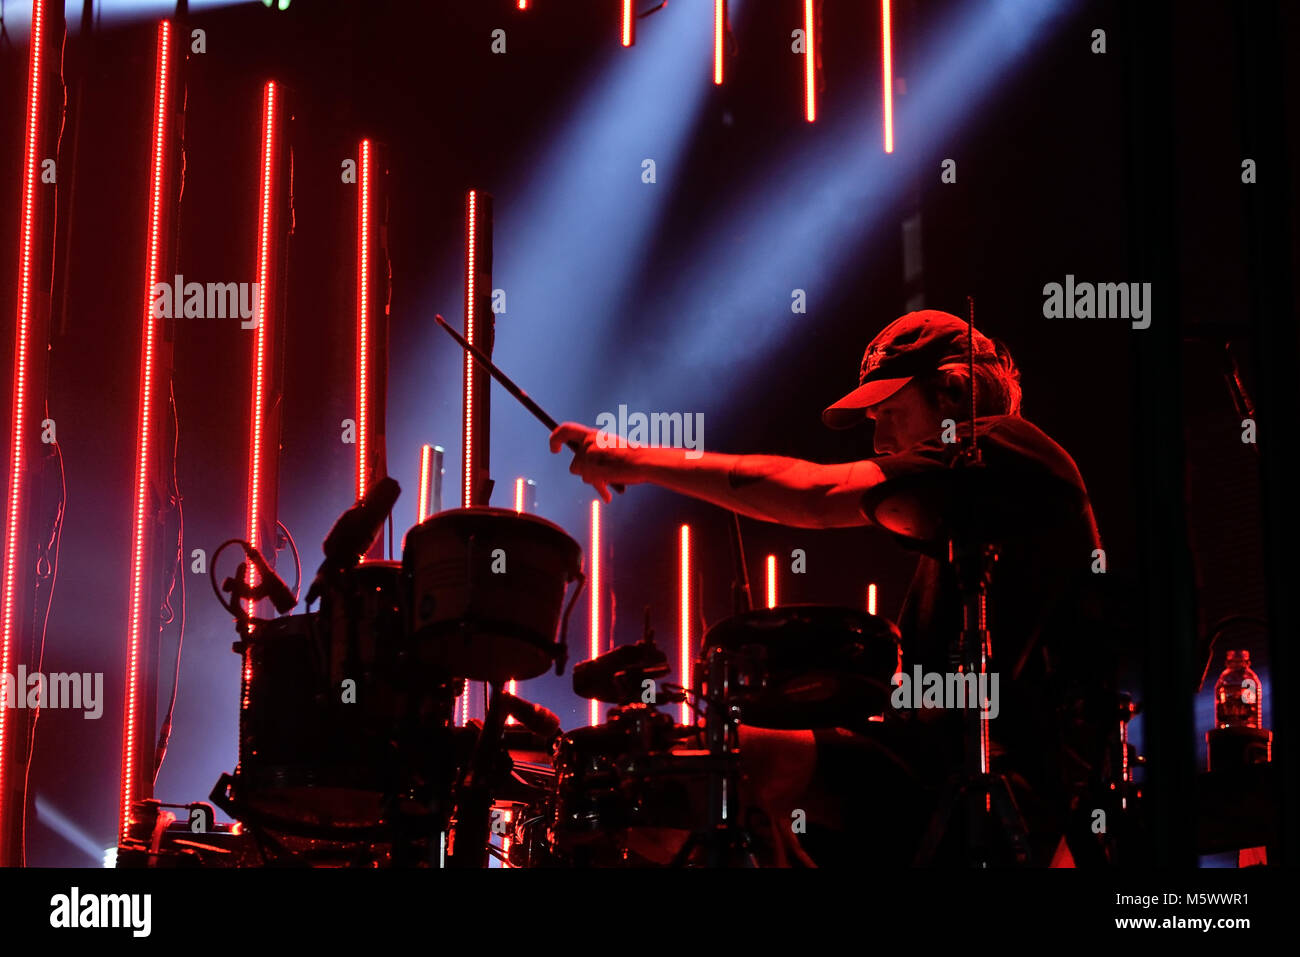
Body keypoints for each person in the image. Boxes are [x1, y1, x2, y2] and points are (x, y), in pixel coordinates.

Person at [549, 309, 1114, 865]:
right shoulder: (973, 502)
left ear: (951, 392)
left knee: (720, 764)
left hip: (1004, 781)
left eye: (890, 411)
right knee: (681, 788)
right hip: (942, 764)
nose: (883, 438)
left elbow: (812, 494)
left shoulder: (1007, 448)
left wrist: (634, 458)